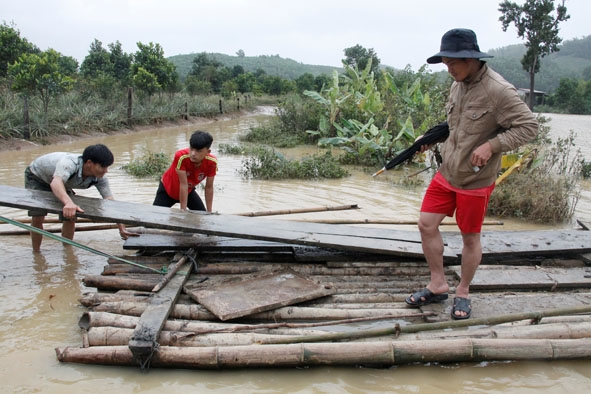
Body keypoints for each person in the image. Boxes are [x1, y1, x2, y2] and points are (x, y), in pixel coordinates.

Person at [405, 28, 538, 319]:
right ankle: (438, 284)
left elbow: (529, 127)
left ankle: (463, 291)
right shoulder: (457, 84)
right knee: (426, 224)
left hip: (476, 179)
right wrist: (432, 138)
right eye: (445, 63)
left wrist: (493, 145)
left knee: (469, 238)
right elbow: (456, 126)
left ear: (470, 58)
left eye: (452, 62)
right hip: (448, 172)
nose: (448, 68)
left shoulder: (498, 90)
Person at [25, 144, 138, 252]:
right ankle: (37, 252)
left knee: (71, 216)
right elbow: (56, 183)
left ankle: (67, 251)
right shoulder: (69, 164)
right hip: (37, 177)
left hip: (62, 182)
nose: (106, 171)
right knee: (38, 215)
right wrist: (69, 203)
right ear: (89, 163)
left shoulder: (100, 178)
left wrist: (121, 228)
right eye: (103, 166)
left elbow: (110, 201)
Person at [153, 130, 217, 212]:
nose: (193, 153)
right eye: (191, 148)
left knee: (202, 217)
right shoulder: (181, 156)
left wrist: (209, 212)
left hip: (188, 192)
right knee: (154, 218)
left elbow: (209, 187)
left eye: (198, 151)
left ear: (207, 152)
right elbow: (183, 184)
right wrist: (183, 212)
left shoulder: (212, 162)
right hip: (167, 190)